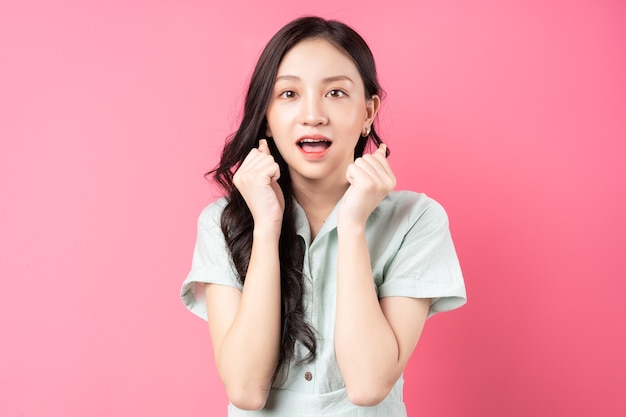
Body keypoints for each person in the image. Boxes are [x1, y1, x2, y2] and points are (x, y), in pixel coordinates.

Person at [181, 16, 466, 417]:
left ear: (368, 112)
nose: (312, 114)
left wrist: (351, 226)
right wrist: (265, 228)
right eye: (289, 94)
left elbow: (368, 386)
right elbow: (246, 390)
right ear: (265, 114)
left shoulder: (416, 220)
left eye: (335, 92)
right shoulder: (222, 223)